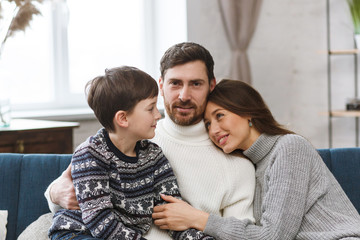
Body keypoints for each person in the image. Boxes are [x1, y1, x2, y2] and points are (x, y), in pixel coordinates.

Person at [44, 42, 256, 240]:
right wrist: (54, 193)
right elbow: (91, 211)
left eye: (195, 84)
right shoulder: (114, 142)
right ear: (161, 85)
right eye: (175, 83)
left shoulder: (152, 151)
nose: (184, 95)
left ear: (211, 86)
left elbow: (175, 210)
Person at [153, 79, 360, 239]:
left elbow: (273, 236)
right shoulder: (250, 166)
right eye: (207, 124)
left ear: (247, 112)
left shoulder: (289, 148)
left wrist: (196, 218)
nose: (214, 130)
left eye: (220, 116)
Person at [48, 66, 214, 240]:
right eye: (150, 109)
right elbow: (100, 221)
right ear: (123, 118)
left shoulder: (153, 156)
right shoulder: (90, 154)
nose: (158, 115)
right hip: (78, 232)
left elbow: (170, 211)